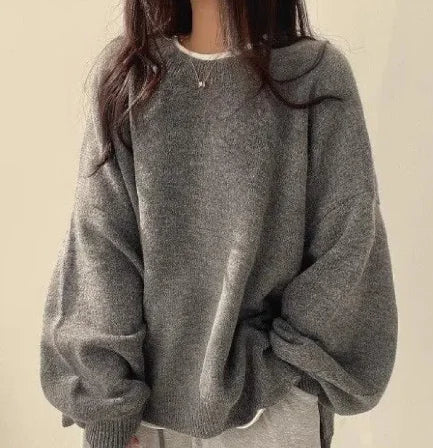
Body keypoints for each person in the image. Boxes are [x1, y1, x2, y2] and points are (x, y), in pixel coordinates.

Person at [39, 1, 399, 448]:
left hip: (275, 407)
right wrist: (108, 410)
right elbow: (101, 248)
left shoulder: (314, 75)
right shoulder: (130, 76)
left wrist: (288, 370)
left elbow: (348, 244)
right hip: (144, 415)